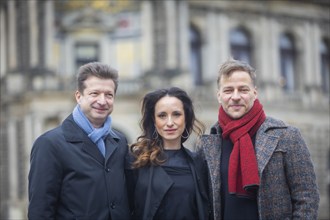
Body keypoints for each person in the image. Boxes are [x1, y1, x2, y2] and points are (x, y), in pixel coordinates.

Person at [196, 59, 320, 220]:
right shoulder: (208, 144)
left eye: (243, 89)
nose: (235, 97)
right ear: (219, 96)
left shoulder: (287, 136)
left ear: (255, 93)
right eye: (228, 90)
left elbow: (307, 198)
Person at [28, 62, 131, 219]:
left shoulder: (120, 141)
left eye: (109, 95)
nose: (102, 101)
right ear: (79, 96)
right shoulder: (49, 144)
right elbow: (40, 211)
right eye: (94, 93)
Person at [126, 87, 211, 220]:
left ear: (186, 119)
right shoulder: (137, 161)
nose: (170, 123)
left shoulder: (199, 163)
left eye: (176, 114)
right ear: (154, 121)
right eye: (162, 116)